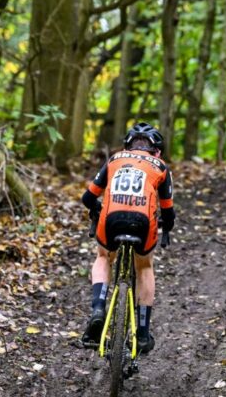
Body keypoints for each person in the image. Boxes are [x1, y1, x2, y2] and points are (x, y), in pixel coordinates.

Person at [80, 122, 175, 354]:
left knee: (103, 256)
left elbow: (88, 197)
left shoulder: (114, 159)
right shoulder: (161, 167)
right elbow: (168, 211)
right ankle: (142, 333)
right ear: (157, 151)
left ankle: (98, 309)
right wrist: (167, 228)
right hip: (144, 222)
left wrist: (95, 209)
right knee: (144, 266)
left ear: (127, 146)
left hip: (111, 218)